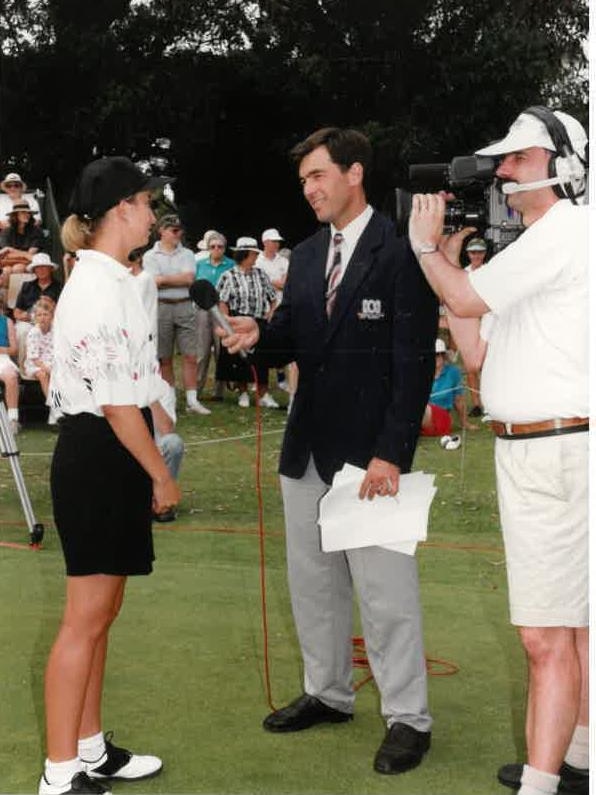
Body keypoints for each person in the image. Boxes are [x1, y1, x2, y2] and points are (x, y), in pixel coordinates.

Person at [220, 127, 437, 775]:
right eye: (304, 182)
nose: (309, 189)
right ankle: (329, 692)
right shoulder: (310, 256)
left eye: (318, 176)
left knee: (386, 592)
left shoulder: (402, 254)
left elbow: (413, 364)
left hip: (373, 455)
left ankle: (408, 717)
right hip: (306, 448)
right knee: (312, 584)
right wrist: (258, 334)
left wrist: (392, 453)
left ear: (354, 173)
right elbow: (291, 335)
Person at [407, 107, 588, 795]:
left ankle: (543, 783)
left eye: (517, 159)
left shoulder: (564, 230)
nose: (503, 171)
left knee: (546, 636)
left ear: (561, 165)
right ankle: (579, 760)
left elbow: (460, 297)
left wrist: (428, 252)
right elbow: (476, 350)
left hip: (552, 450)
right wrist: (450, 265)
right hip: (552, 446)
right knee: (574, 625)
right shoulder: (544, 244)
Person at [40, 155, 180, 795]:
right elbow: (118, 405)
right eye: (148, 203)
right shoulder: (95, 286)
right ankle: (59, 772)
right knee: (84, 618)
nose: (154, 214)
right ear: (122, 208)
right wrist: (162, 474)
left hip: (113, 450)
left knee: (102, 613)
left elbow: (140, 382)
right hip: (99, 452)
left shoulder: (120, 280)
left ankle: (90, 751)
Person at [142, 214, 210, 416]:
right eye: (173, 230)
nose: (177, 234)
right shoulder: (150, 256)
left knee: (190, 354)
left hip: (184, 305)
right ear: (161, 231)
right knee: (164, 357)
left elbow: (189, 278)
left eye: (179, 230)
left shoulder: (188, 254)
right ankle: (168, 399)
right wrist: (171, 279)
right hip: (161, 307)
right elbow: (153, 282)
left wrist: (164, 278)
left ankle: (192, 400)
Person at [216, 236, 279, 409]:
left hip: (258, 321)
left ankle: (263, 394)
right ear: (244, 255)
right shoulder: (228, 276)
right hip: (238, 319)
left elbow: (272, 298)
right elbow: (222, 302)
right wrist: (227, 322)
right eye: (253, 254)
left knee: (262, 359)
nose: (256, 257)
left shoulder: (261, 274)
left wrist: (270, 314)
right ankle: (242, 392)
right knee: (240, 359)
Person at [194, 231, 234, 401]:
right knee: (202, 351)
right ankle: (195, 391)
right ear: (208, 248)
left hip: (221, 309)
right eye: (213, 246)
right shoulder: (199, 264)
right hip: (202, 310)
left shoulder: (231, 265)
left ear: (224, 248)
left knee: (220, 351)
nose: (217, 249)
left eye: (220, 246)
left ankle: (219, 392)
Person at [13, 252, 62, 369]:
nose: (41, 270)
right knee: (22, 331)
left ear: (50, 269)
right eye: (37, 268)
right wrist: (30, 316)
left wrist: (51, 307)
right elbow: (16, 313)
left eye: (44, 267)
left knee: (57, 331)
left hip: (51, 322)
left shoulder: (59, 287)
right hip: (29, 321)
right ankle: (23, 370)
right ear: (34, 270)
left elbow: (63, 312)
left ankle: (51, 368)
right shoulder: (27, 286)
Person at [255, 228, 290, 390]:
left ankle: (281, 378)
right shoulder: (257, 261)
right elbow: (259, 282)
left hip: (280, 306)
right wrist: (274, 282)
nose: (276, 244)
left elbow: (286, 283)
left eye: (278, 242)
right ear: (265, 242)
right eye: (273, 241)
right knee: (261, 343)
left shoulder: (283, 261)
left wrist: (269, 280)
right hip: (261, 307)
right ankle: (260, 381)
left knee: (280, 341)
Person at [420, 337, 476, 438]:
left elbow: (458, 400)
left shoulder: (452, 372)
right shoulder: (420, 373)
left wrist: (465, 423)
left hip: (441, 416)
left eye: (438, 355)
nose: (435, 358)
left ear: (444, 356)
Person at [462, 237, 488, 419]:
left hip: (488, 321)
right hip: (471, 322)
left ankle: (489, 405)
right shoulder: (463, 274)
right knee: (471, 366)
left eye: (479, 252)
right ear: (468, 254)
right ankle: (477, 404)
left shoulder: (490, 272)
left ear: (484, 254)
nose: (476, 256)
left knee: (488, 366)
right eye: (473, 252)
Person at [23, 296, 57, 425]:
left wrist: (53, 367)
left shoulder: (55, 330)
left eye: (45, 314)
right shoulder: (34, 332)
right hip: (35, 364)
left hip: (51, 362)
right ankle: (54, 408)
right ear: (35, 318)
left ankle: (59, 406)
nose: (42, 317)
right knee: (43, 375)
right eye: (39, 315)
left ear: (51, 316)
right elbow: (34, 358)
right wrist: (46, 368)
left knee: (57, 376)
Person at [0, 200, 45, 286]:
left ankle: (17, 298)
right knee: (6, 271)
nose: (27, 215)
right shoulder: (7, 231)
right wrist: (24, 254)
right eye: (23, 212)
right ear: (15, 215)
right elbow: (6, 254)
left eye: (28, 213)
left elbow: (31, 254)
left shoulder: (36, 231)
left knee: (18, 268)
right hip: (9, 262)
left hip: (28, 262)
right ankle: (6, 298)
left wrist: (12, 250)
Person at [0, 293, 20, 434]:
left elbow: (14, 349)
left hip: (3, 358)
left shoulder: (7, 322)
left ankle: (12, 419)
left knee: (11, 377)